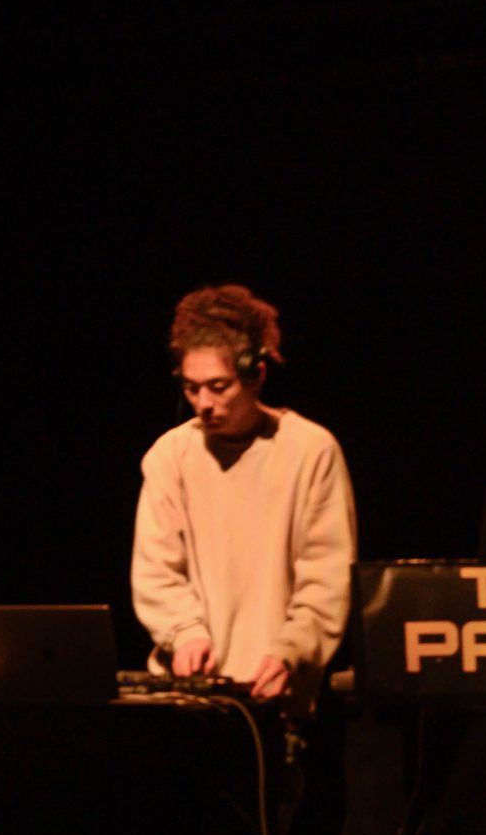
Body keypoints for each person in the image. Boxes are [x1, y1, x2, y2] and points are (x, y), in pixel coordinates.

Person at [130, 285, 355, 705]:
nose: (204, 402)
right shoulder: (169, 456)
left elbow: (326, 578)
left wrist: (291, 650)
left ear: (256, 375)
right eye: (192, 388)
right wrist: (185, 633)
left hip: (277, 694)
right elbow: (156, 571)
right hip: (190, 697)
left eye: (219, 386)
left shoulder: (310, 451)